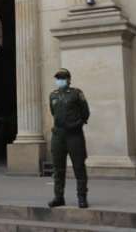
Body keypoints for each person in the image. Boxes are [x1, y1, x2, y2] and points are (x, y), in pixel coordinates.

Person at [48, 68, 90, 209]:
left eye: (62, 77)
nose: (59, 80)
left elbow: (85, 112)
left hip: (74, 135)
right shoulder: (53, 95)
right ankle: (59, 197)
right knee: (58, 168)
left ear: (68, 79)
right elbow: (53, 112)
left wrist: (77, 124)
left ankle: (82, 197)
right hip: (58, 135)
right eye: (58, 78)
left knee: (79, 167)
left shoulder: (76, 93)